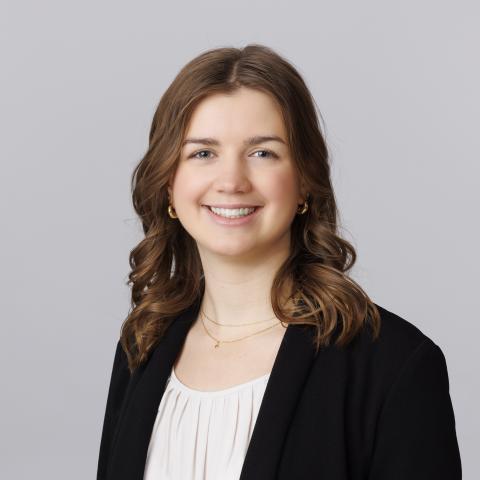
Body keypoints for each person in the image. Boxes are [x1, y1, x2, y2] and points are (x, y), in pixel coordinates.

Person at [96, 44, 462, 480]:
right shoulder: (142, 346)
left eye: (262, 152)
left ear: (305, 181)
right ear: (169, 185)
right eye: (202, 153)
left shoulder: (393, 364)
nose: (231, 181)